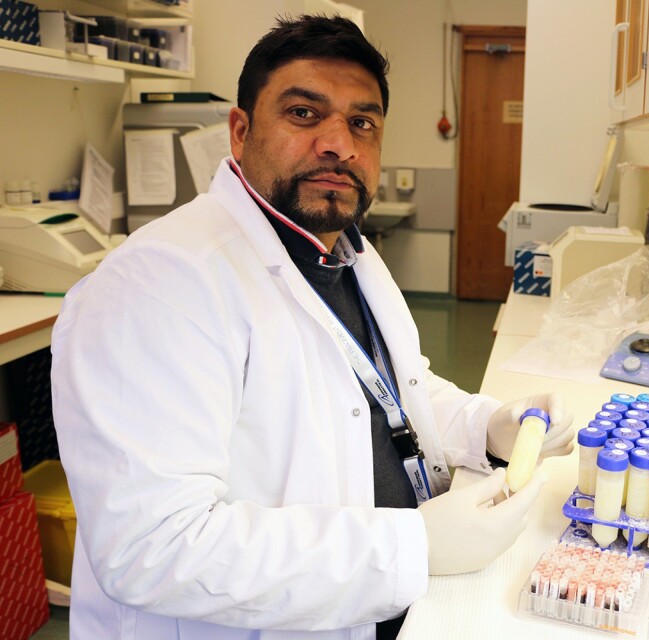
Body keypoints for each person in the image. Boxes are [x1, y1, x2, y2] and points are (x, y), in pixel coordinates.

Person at [51, 15, 574, 640]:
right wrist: (412, 546)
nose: (340, 144)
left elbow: (390, 386)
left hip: (376, 606)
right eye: (304, 113)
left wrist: (485, 425)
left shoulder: (341, 249)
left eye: (363, 123)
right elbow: (153, 548)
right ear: (240, 132)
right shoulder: (159, 285)